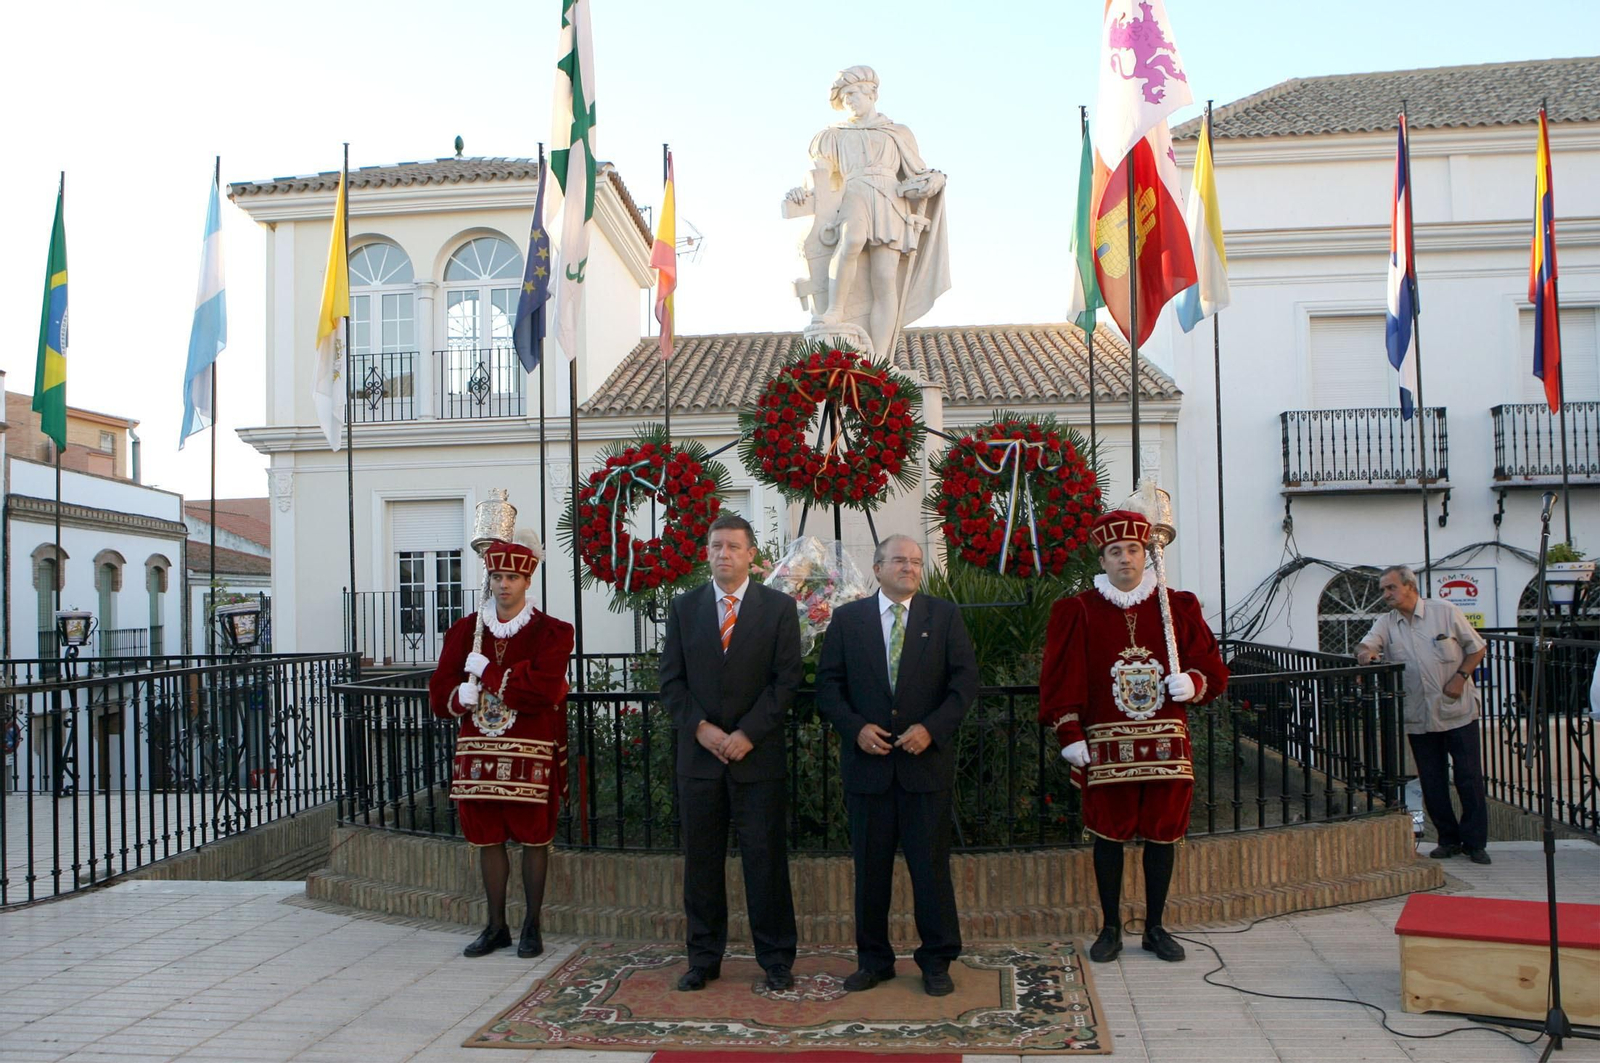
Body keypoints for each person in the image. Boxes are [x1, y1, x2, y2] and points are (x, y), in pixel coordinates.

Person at [1039, 508, 1229, 964]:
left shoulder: (1177, 606)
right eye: (1115, 551)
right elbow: (1060, 678)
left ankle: (1157, 927)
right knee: (1109, 835)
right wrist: (1069, 730)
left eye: (1133, 549)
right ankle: (1109, 928)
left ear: (1147, 554)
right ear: (1102, 559)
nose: (1125, 558)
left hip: (1166, 741)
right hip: (1106, 742)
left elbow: (1213, 669)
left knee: (1163, 836)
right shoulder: (1078, 610)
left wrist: (1195, 684)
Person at [815, 534, 978, 997]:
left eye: (915, 561)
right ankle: (874, 961)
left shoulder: (943, 617)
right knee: (870, 870)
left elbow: (964, 684)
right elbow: (828, 687)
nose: (908, 567)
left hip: (924, 766)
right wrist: (855, 729)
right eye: (899, 560)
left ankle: (936, 960)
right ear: (879, 568)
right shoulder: (848, 621)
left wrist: (932, 728)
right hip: (868, 770)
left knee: (930, 868)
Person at [659, 512, 803, 992]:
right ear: (707, 552)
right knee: (701, 864)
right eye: (717, 546)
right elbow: (671, 682)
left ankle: (777, 959)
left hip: (756, 759)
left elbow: (787, 682)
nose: (725, 554)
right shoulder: (684, 608)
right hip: (699, 761)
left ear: (750, 555)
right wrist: (700, 729)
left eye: (734, 547)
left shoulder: (778, 608)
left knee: (766, 862)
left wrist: (747, 734)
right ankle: (703, 958)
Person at [429, 531, 574, 959]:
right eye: (497, 576)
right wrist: (459, 697)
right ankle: (495, 926)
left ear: (528, 580)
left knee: (533, 839)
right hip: (478, 753)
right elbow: (439, 691)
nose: (504, 584)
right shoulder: (463, 631)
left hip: (530, 752)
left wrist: (490, 672)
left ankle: (533, 926)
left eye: (512, 576)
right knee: (487, 839)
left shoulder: (553, 632)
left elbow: (543, 690)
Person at [783, 65, 950, 359]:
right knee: (851, 241)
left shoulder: (897, 133)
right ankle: (835, 310)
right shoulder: (832, 136)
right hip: (855, 192)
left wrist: (934, 180)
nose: (849, 100)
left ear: (871, 93)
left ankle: (881, 357)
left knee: (885, 277)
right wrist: (800, 191)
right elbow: (819, 177)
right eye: (844, 96)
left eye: (853, 93)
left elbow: (918, 171)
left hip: (890, 200)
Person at [1356, 565, 1490, 865]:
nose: (1385, 595)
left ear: (1409, 586)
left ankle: (1476, 842)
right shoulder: (1387, 623)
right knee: (1432, 781)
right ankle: (1448, 838)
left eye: (1390, 588)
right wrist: (1365, 655)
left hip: (1457, 711)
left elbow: (1477, 648)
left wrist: (1460, 677)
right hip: (1418, 716)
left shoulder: (1444, 612)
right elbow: (1366, 645)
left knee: (1469, 778)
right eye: (1383, 590)